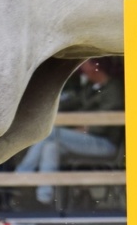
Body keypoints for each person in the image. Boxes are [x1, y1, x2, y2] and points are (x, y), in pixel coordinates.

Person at [14, 58, 125, 205]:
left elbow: (108, 122)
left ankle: (19, 177)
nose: (81, 71)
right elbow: (70, 103)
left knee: (50, 132)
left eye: (84, 67)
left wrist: (86, 129)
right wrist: (44, 105)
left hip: (105, 144)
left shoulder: (113, 89)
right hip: (85, 140)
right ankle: (44, 197)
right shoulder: (89, 89)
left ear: (96, 67)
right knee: (50, 147)